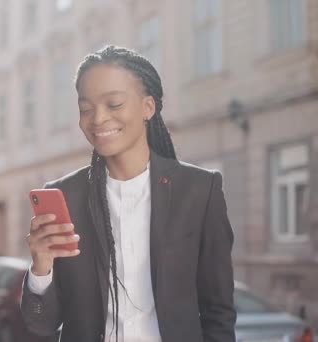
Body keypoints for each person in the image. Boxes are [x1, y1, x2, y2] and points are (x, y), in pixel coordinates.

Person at [20, 46, 236, 342]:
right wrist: (41, 268)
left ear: (148, 107)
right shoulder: (65, 197)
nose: (97, 119)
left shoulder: (199, 190)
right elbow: (41, 326)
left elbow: (219, 312)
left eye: (114, 104)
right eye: (86, 109)